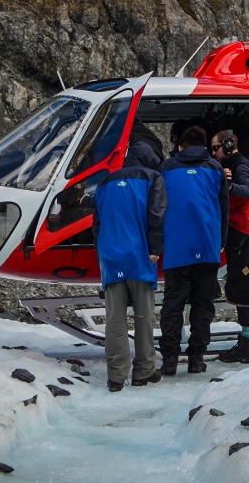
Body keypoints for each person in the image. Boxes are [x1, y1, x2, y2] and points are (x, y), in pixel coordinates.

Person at [92, 131, 165, 391]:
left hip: (111, 258)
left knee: (114, 319)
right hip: (141, 255)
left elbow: (97, 226)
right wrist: (156, 247)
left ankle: (115, 377)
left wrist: (103, 255)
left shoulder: (103, 183)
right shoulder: (153, 178)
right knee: (144, 316)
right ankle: (143, 372)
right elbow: (156, 215)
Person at [157, 121, 228, 376]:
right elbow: (223, 208)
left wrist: (158, 240)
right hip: (207, 247)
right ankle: (197, 357)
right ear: (204, 146)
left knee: (173, 304)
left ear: (180, 145)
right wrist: (221, 243)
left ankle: (169, 360)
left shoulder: (167, 167)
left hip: (176, 248)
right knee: (203, 304)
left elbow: (157, 206)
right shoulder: (215, 168)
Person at [213, 127, 249, 364]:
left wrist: (230, 186)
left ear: (227, 146)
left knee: (243, 292)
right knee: (242, 290)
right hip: (246, 237)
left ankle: (247, 347)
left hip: (245, 237)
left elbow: (246, 190)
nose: (213, 153)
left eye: (215, 148)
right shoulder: (238, 164)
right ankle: (246, 344)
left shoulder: (240, 166)